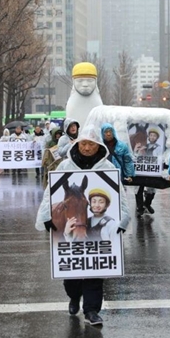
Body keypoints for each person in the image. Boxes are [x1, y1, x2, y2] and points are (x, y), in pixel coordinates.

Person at [36, 127, 130, 326]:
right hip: (71, 229)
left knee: (95, 272)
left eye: (91, 144)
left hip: (95, 229)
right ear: (77, 144)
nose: (87, 148)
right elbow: (49, 194)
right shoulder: (64, 166)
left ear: (99, 146)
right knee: (72, 273)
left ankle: (92, 310)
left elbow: (119, 194)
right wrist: (46, 217)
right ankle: (73, 296)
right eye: (83, 144)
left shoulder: (107, 167)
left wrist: (122, 220)